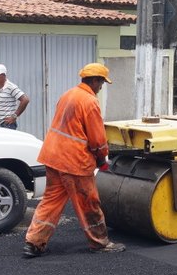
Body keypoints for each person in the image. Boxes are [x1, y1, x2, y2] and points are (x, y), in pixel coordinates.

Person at [23, 62, 125, 257]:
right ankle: (99, 243)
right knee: (89, 202)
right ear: (94, 81)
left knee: (50, 201)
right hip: (74, 162)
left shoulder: (68, 94)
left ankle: (33, 242)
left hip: (53, 157)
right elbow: (97, 139)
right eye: (101, 82)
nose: (101, 87)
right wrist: (102, 158)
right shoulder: (89, 101)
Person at [0, 63, 29, 129]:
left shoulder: (10, 87)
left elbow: (25, 100)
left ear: (3, 75)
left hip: (7, 124)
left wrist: (14, 116)